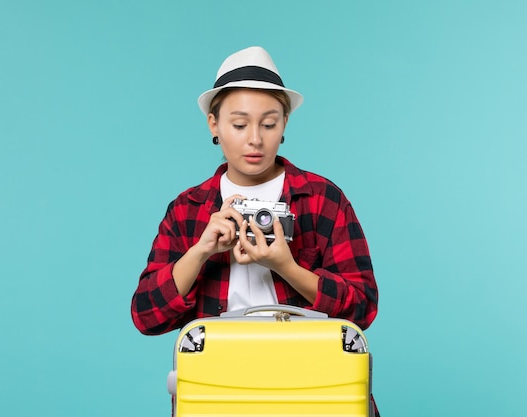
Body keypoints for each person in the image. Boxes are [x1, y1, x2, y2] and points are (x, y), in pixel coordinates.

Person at [131, 46, 378, 335]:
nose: (255, 139)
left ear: (285, 123)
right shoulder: (188, 209)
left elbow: (363, 308)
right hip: (217, 369)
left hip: (303, 367)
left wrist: (287, 267)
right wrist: (200, 252)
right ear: (214, 125)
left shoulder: (322, 199)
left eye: (269, 124)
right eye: (239, 124)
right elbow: (146, 317)